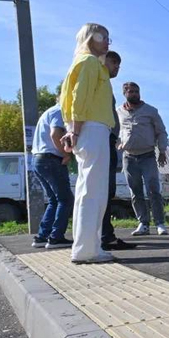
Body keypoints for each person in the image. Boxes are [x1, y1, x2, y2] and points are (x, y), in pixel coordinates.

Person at [60, 23, 115, 264]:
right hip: (92, 128)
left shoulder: (86, 63)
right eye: (103, 36)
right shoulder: (90, 62)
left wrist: (72, 129)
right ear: (90, 37)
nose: (107, 42)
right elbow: (79, 97)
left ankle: (89, 246)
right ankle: (86, 249)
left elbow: (70, 100)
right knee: (93, 190)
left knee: (89, 190)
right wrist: (75, 129)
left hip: (90, 128)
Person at [117, 81, 169, 236]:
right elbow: (113, 130)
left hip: (147, 156)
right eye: (131, 91)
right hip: (128, 157)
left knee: (154, 190)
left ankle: (160, 223)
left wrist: (162, 150)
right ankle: (143, 223)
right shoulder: (118, 111)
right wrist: (118, 143)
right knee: (135, 191)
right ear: (124, 93)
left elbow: (161, 131)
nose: (134, 94)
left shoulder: (151, 111)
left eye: (136, 91)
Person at [100, 51, 135, 251]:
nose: (117, 67)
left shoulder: (104, 82)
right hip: (102, 140)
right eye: (114, 62)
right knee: (103, 191)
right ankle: (104, 237)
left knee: (106, 191)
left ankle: (105, 235)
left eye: (119, 64)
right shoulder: (97, 79)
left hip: (107, 140)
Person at [29, 105, 73, 249]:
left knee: (54, 200)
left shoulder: (48, 112)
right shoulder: (60, 111)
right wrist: (66, 153)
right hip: (51, 159)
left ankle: (42, 236)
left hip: (38, 159)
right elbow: (55, 134)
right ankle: (56, 238)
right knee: (65, 199)